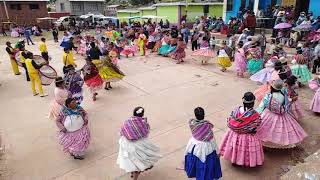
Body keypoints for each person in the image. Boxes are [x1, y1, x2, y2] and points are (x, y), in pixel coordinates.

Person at [256, 80, 307, 148]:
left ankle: (267, 142)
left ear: (273, 87)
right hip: (282, 114)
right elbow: (287, 104)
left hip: (268, 114)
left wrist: (259, 112)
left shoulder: (269, 95)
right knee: (281, 130)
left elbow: (262, 105)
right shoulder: (283, 95)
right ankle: (280, 142)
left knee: (267, 129)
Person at [220, 92, 263, 167]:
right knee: (244, 150)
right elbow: (256, 124)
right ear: (253, 103)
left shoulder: (236, 110)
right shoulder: (254, 114)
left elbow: (231, 119)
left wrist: (239, 127)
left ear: (243, 101)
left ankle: (234, 160)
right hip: (247, 137)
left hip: (234, 134)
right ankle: (243, 162)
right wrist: (248, 129)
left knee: (235, 147)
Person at [117, 107, 161, 180]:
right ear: (142, 114)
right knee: (138, 164)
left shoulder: (127, 122)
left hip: (127, 145)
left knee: (131, 161)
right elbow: (146, 133)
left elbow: (122, 131)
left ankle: (132, 173)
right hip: (139, 145)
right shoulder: (144, 123)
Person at [184, 107, 222, 180]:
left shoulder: (192, 123)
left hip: (195, 145)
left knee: (196, 162)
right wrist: (217, 151)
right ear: (204, 115)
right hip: (207, 147)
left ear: (195, 115)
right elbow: (212, 140)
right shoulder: (207, 126)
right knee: (207, 164)